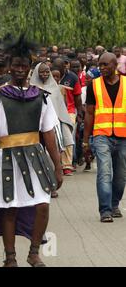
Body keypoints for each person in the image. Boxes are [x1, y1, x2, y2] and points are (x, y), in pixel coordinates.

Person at [0, 34, 63, 267]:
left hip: (35, 157)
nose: (19, 69)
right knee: (9, 209)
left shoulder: (41, 97)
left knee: (43, 206)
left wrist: (58, 166)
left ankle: (34, 253)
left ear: (29, 68)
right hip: (6, 159)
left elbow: (49, 135)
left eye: (24, 66)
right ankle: (10, 257)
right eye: (16, 65)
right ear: (10, 66)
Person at [83, 52, 126, 223]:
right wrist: (86, 140)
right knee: (105, 172)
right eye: (99, 65)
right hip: (102, 135)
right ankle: (105, 210)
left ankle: (115, 204)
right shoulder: (94, 85)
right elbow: (89, 113)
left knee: (121, 175)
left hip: (123, 136)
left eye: (105, 65)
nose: (101, 68)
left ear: (115, 65)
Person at [30, 62, 74, 198]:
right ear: (36, 72)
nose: (44, 74)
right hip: (34, 129)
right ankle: (41, 185)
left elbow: (60, 109)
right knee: (38, 158)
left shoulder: (54, 89)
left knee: (52, 156)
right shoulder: (30, 89)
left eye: (46, 71)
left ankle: (52, 185)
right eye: (42, 71)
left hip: (51, 128)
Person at [54, 58, 83, 175]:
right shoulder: (49, 76)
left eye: (59, 68)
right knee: (55, 138)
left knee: (68, 137)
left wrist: (79, 113)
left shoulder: (73, 77)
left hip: (69, 111)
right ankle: (57, 164)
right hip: (53, 112)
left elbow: (78, 97)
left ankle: (67, 165)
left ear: (64, 67)